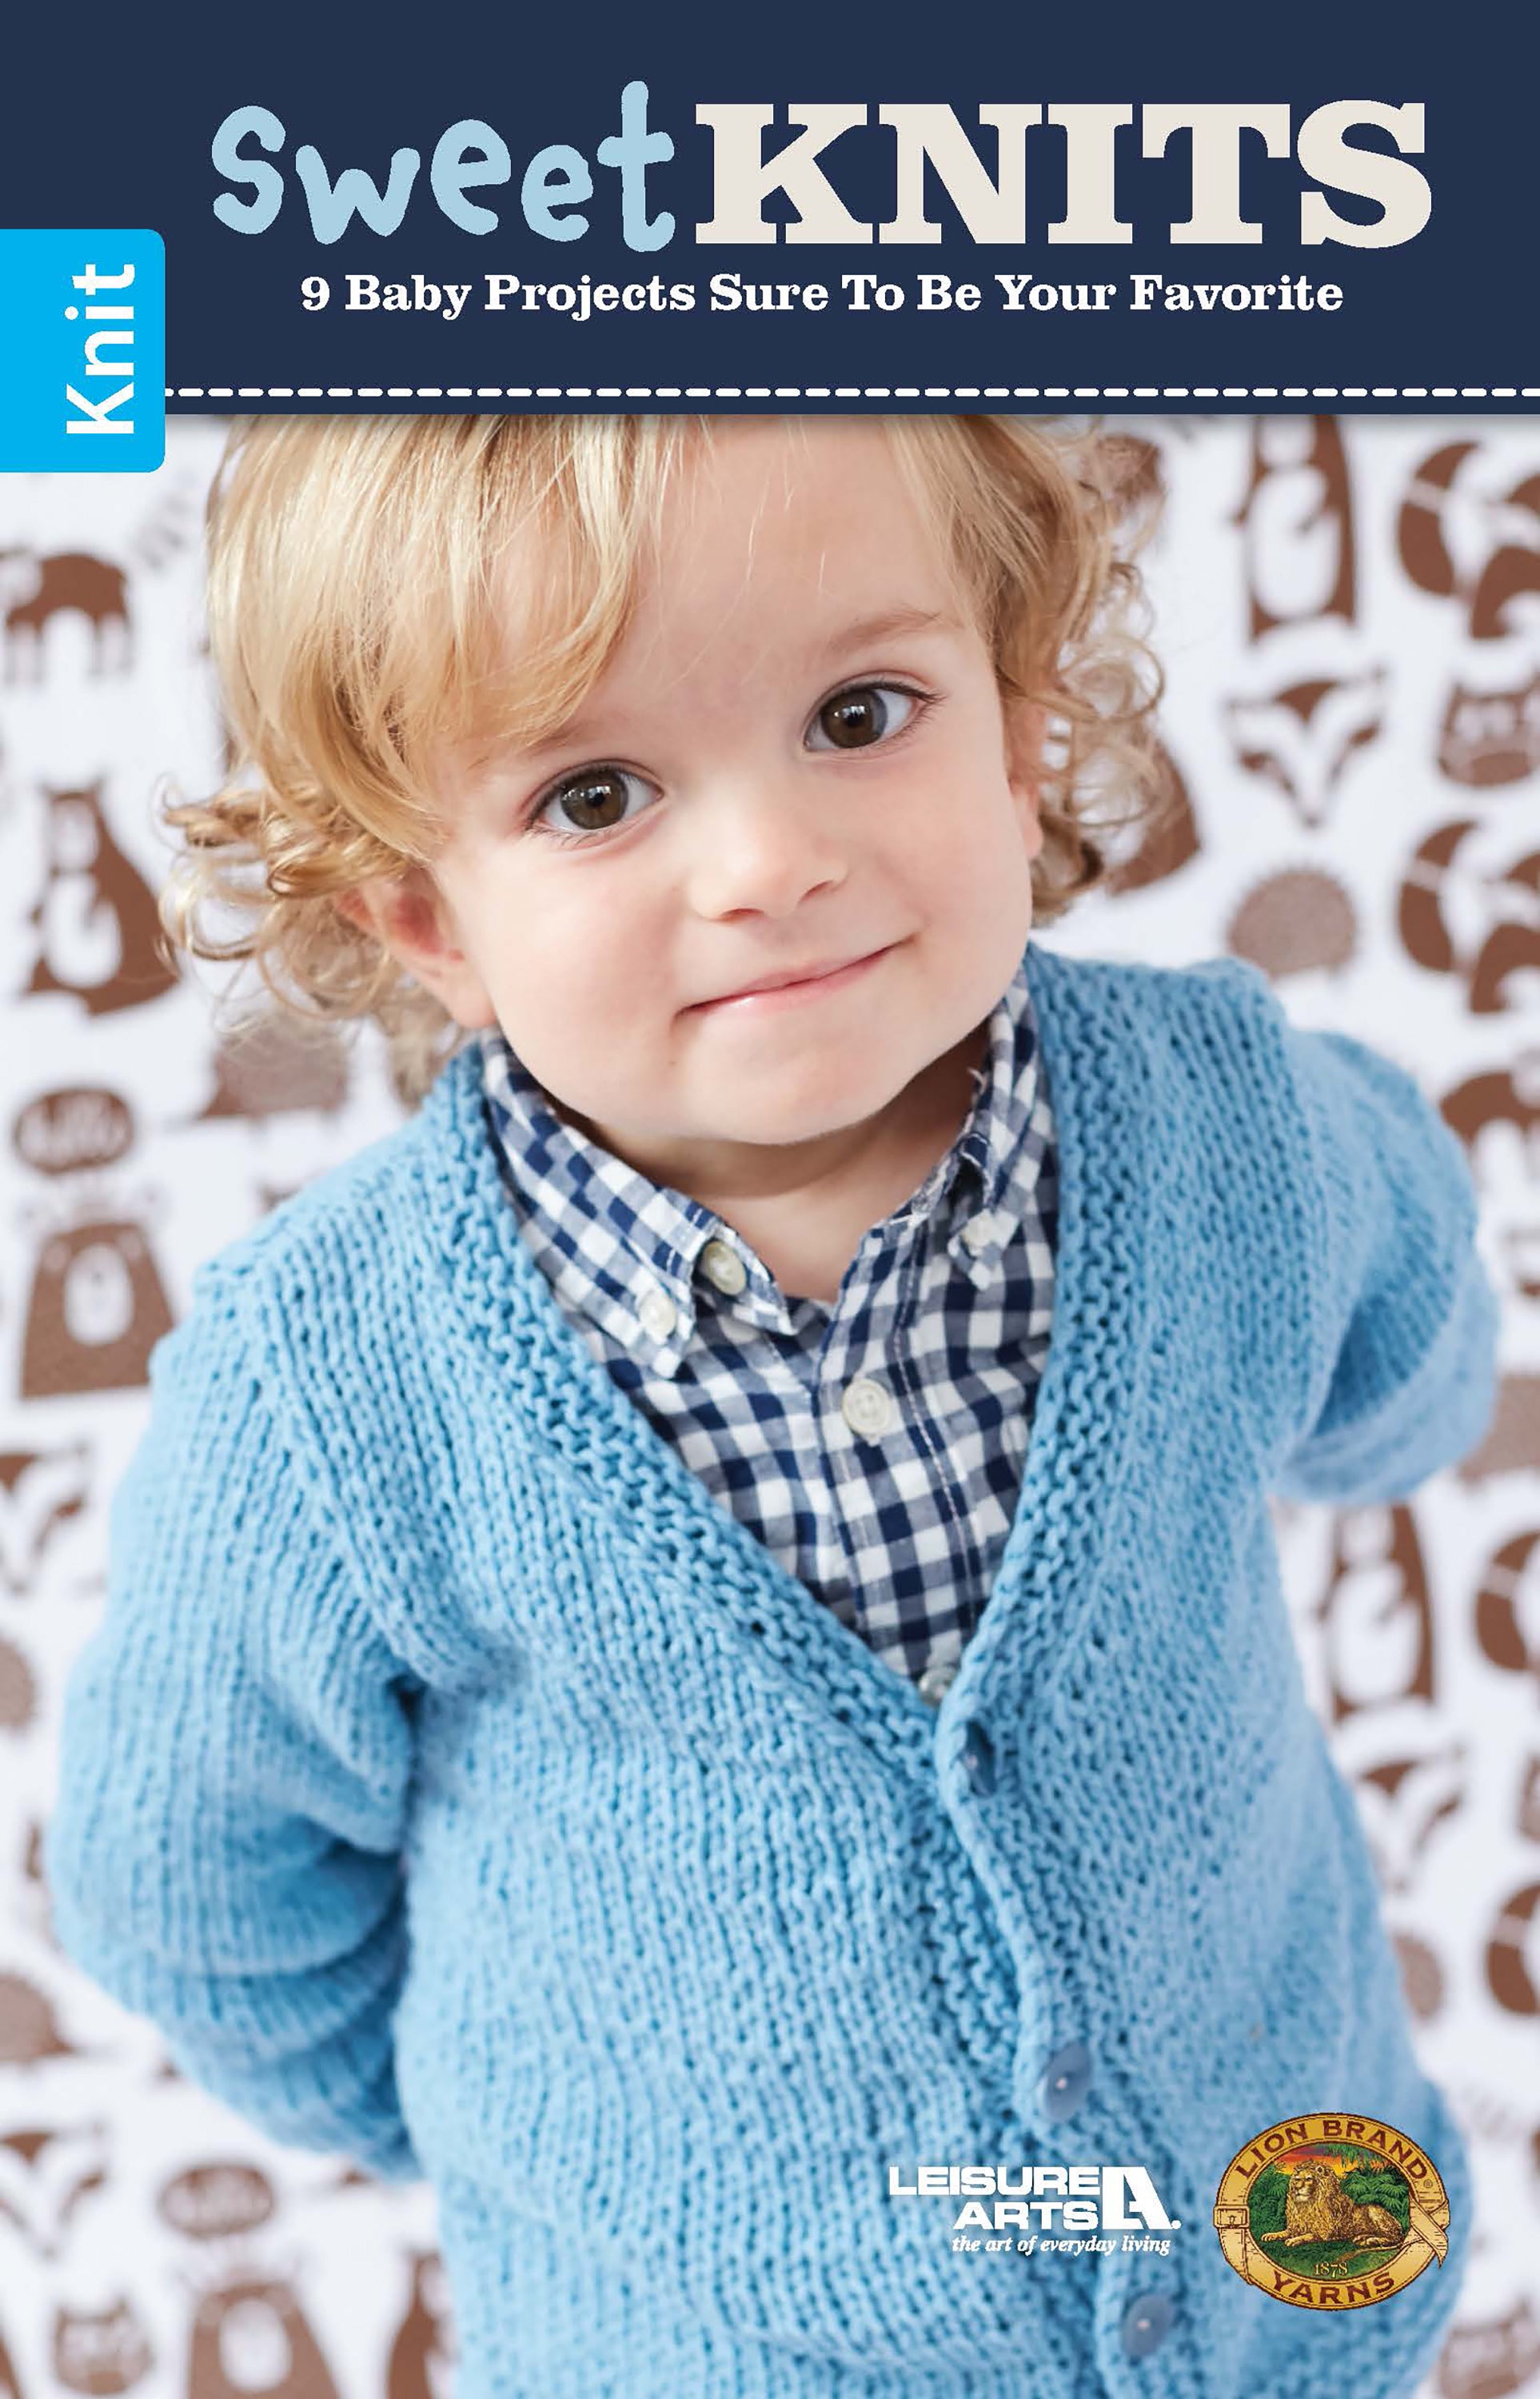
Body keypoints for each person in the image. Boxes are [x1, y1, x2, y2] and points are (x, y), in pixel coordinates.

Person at [45, 413, 1499, 2399]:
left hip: (1279, 2256)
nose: (769, 862)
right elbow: (195, 1887)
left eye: (861, 710)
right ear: (427, 918)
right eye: (598, 793)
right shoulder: (335, 1388)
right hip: (692, 2347)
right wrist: (530, 2141)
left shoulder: (1231, 1126)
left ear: (1017, 719)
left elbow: (1407, 1361)